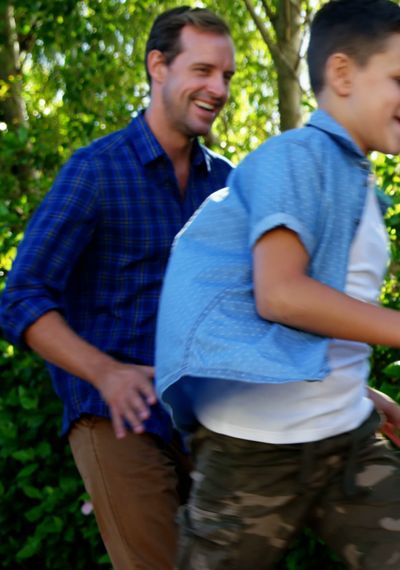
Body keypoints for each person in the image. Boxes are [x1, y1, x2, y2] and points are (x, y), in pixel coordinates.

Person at [153, 1, 400, 568]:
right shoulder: (293, 158)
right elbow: (281, 294)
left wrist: (358, 388)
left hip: (349, 440)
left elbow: (312, 317)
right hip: (254, 450)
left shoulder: (357, 181)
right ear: (342, 74)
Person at [0, 7, 236, 569]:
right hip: (115, 416)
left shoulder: (231, 185)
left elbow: (262, 308)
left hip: (209, 419)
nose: (218, 88)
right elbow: (22, 297)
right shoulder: (95, 171)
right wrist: (106, 373)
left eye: (227, 75)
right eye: (203, 70)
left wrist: (350, 391)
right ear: (159, 66)